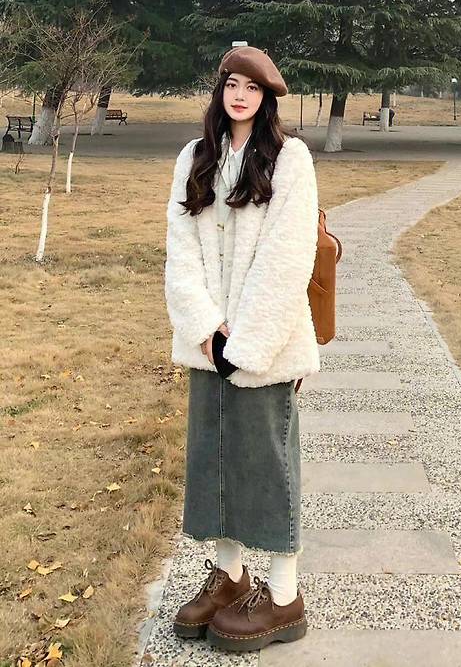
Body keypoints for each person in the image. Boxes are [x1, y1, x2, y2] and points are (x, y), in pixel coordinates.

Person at [163, 45, 320, 653]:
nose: (240, 96)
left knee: (267, 465)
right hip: (209, 345)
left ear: (267, 98)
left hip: (267, 345)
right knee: (215, 463)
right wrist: (207, 329)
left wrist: (247, 343)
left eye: (252, 88)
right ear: (220, 89)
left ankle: (284, 598)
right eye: (232, 84)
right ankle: (229, 578)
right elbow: (180, 249)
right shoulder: (195, 157)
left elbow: (287, 258)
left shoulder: (290, 159)